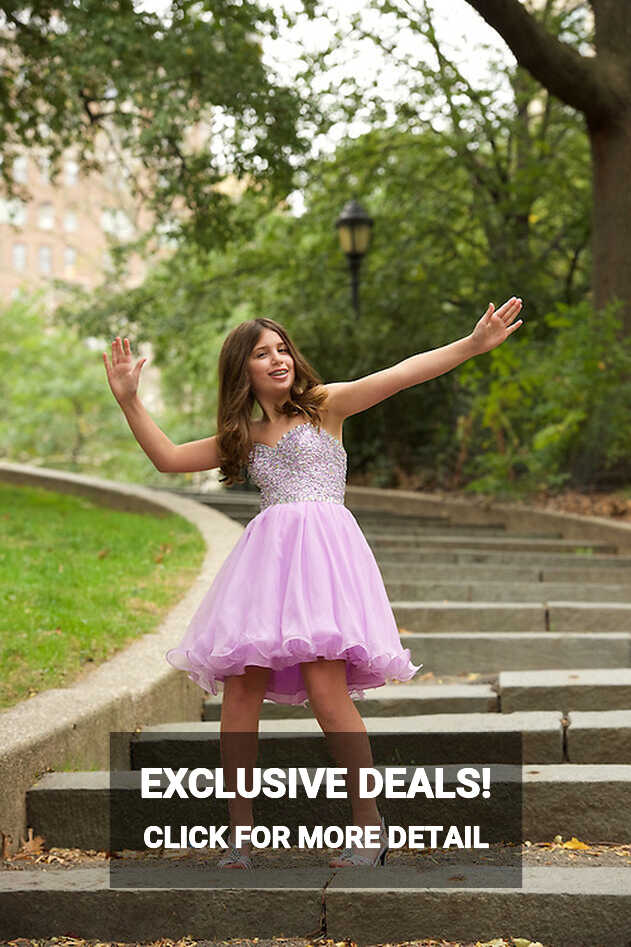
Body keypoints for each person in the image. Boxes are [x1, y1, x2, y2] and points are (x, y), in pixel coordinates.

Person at [103, 296, 523, 870]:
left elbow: (399, 375)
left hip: (322, 567)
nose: (277, 360)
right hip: (265, 570)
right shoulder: (245, 437)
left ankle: (369, 827)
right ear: (241, 371)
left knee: (328, 692)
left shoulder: (324, 407)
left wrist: (472, 345)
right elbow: (169, 458)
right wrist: (130, 400)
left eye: (282, 349)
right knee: (240, 692)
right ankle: (240, 836)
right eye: (261, 354)